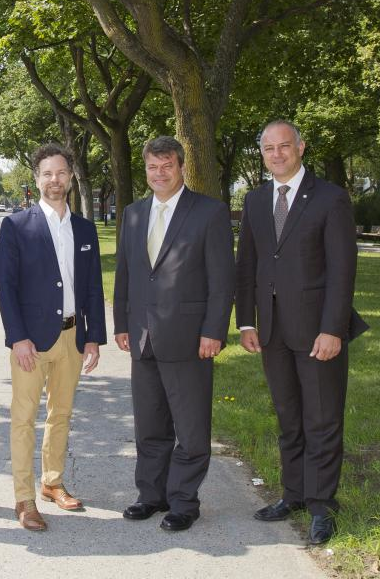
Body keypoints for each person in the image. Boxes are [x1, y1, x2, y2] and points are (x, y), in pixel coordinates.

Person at [234, 120, 367, 546]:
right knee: (289, 419)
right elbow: (247, 266)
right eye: (268, 148)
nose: (276, 154)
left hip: (317, 333)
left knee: (322, 419)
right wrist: (247, 321)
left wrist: (333, 329)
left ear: (301, 147)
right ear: (262, 154)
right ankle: (293, 495)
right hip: (271, 331)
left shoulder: (330, 198)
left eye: (284, 146)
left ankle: (322, 507)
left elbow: (342, 270)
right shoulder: (255, 200)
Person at [113, 136, 235, 532]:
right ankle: (151, 494)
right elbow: (127, 274)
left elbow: (222, 280)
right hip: (142, 336)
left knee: (191, 426)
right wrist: (121, 324)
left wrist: (214, 330)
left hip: (189, 337)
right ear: (145, 169)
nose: (159, 173)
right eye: (153, 166)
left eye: (167, 165)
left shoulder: (210, 212)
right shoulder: (133, 213)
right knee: (149, 424)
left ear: (182, 167)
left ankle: (184, 501)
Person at [0, 144, 106, 531]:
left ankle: (52, 482)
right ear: (36, 178)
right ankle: (24, 498)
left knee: (61, 414)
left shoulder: (85, 229)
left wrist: (93, 338)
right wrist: (18, 338)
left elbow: (92, 287)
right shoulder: (16, 226)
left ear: (71, 177)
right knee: (23, 418)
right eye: (46, 173)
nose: (54, 180)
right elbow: (5, 288)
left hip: (73, 338)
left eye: (61, 173)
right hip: (31, 342)